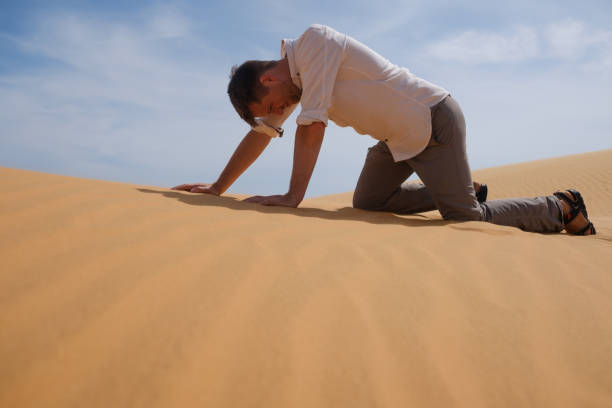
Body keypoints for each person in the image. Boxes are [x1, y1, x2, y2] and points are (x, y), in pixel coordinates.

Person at [172, 24, 595, 236]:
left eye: (271, 106)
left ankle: (559, 206)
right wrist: (218, 187)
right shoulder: (297, 84)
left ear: (267, 80)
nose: (278, 111)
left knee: (463, 218)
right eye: (273, 111)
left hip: (433, 121)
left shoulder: (314, 44)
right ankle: (464, 187)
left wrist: (293, 196)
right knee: (369, 200)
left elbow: (311, 128)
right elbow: (262, 134)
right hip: (397, 139)